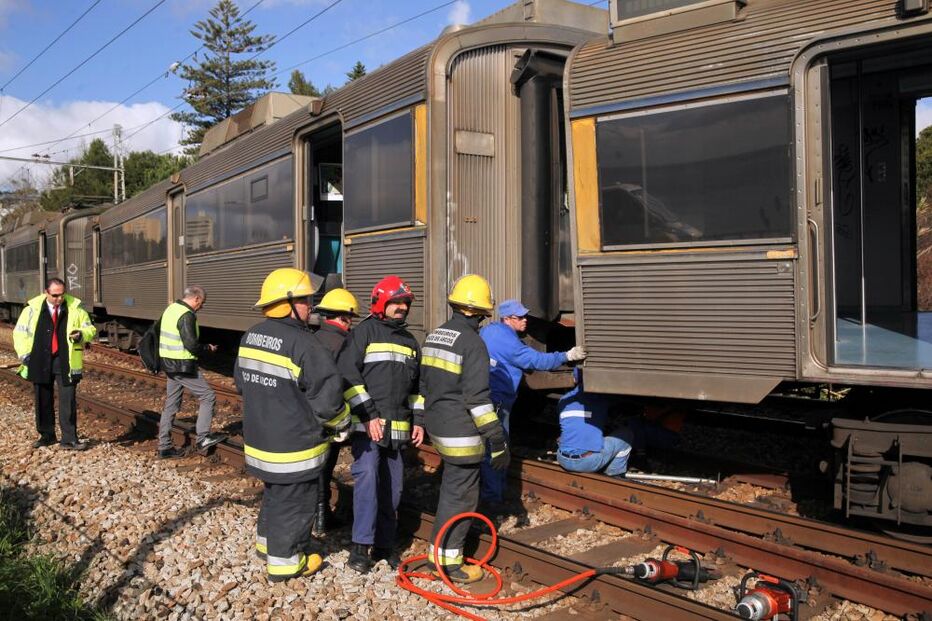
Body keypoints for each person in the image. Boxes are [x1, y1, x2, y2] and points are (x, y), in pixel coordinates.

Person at [235, 268, 350, 582]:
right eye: (305, 300)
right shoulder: (305, 345)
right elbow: (328, 402)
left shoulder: (251, 336)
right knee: (296, 502)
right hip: (294, 445)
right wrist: (343, 425)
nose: (310, 305)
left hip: (260, 441)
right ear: (287, 304)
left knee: (275, 494)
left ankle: (267, 545)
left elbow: (241, 384)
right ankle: (286, 563)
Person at [420, 274, 508, 584]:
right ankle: (448, 563)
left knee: (450, 493)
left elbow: (424, 386)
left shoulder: (435, 335)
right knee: (461, 498)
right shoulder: (473, 344)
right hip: (462, 433)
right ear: (481, 311)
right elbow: (478, 401)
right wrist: (497, 438)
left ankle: (438, 553)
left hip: (439, 426)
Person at [337, 275, 423, 573]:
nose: (401, 308)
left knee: (394, 490)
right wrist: (369, 415)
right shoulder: (365, 333)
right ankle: (360, 549)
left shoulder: (411, 342)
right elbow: (348, 376)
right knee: (368, 485)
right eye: (396, 302)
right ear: (381, 303)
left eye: (405, 303)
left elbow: (416, 389)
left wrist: (419, 422)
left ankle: (385, 547)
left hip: (397, 432)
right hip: (368, 429)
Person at [478, 299, 586, 504]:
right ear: (507, 319)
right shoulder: (509, 342)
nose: (525, 320)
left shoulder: (490, 331)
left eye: (524, 316)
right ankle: (492, 498)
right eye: (519, 317)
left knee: (489, 446)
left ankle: (490, 491)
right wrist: (567, 355)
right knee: (497, 447)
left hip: (486, 395)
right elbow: (537, 361)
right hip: (498, 400)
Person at [13, 278, 96, 450]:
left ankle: (69, 438)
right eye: (55, 295)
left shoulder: (75, 308)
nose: (59, 298)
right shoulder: (32, 310)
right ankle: (47, 435)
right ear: (46, 293)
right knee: (42, 399)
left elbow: (90, 329)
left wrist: (82, 334)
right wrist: (24, 355)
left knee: (68, 400)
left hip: (65, 360)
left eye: (61, 294)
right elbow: (19, 333)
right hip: (38, 359)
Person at [156, 285, 227, 458]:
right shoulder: (186, 315)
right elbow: (191, 345)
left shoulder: (171, 308)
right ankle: (203, 438)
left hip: (168, 363)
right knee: (208, 396)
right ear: (196, 298)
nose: (201, 307)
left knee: (171, 404)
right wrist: (207, 348)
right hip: (182, 365)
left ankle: (164, 446)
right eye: (202, 303)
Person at [311, 287, 360, 535]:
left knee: (315, 465)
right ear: (343, 317)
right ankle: (322, 519)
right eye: (350, 318)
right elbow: (346, 381)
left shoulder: (314, 338)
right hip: (333, 414)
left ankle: (317, 517)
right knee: (325, 464)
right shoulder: (345, 343)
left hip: (310, 413)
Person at [556, 368, 633, 477]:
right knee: (626, 434)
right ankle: (615, 474)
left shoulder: (563, 399)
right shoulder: (601, 400)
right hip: (588, 463)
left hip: (562, 459)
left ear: (574, 379)